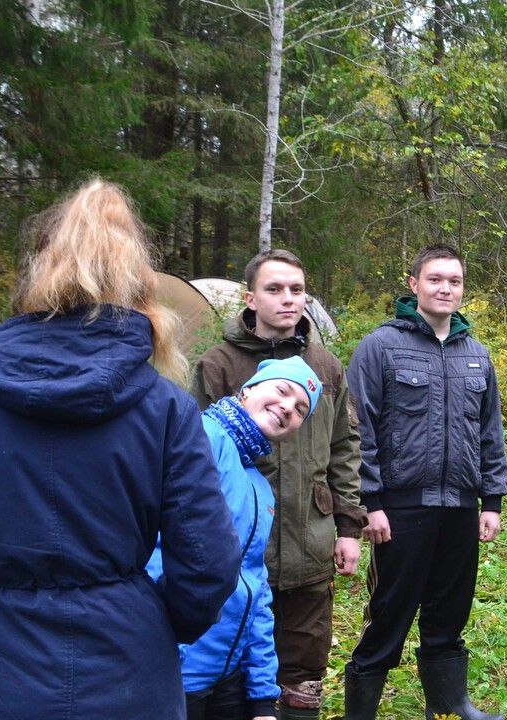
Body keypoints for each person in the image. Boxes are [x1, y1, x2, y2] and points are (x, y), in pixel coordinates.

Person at [0, 179, 242, 720]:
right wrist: (147, 619)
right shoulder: (166, 408)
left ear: (39, 275)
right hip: (130, 676)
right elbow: (209, 566)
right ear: (140, 285)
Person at [192, 249, 366, 720]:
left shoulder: (326, 366)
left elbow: (344, 448)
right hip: (239, 544)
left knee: (305, 663)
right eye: (274, 289)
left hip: (312, 536)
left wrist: (349, 528)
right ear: (250, 299)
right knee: (237, 653)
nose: (288, 299)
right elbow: (192, 458)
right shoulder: (218, 365)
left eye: (296, 290)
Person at [342, 243, 507, 720]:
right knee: (389, 613)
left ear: (462, 290)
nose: (445, 288)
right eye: (435, 279)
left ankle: (451, 702)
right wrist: (369, 503)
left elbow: (489, 433)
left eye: (454, 281)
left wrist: (491, 500)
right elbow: (359, 430)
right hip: (399, 509)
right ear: (414, 284)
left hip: (459, 507)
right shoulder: (380, 347)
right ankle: (361, 711)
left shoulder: (475, 355)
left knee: (450, 609)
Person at [150, 356, 324, 720]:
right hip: (174, 676)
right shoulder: (197, 439)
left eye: (300, 410)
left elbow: (254, 588)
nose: (288, 408)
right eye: (282, 389)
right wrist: (165, 657)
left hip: (228, 678)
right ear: (247, 390)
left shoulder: (260, 487)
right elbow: (154, 552)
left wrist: (262, 694)